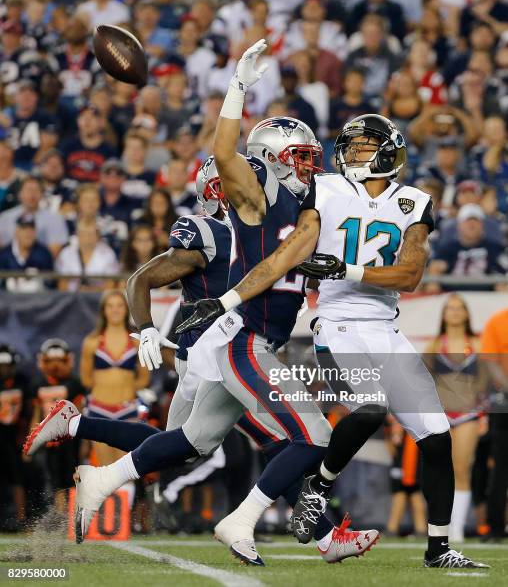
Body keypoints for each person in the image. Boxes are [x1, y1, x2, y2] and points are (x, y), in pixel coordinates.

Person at [25, 43, 378, 565]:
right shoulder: (258, 197)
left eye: (310, 156)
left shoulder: (307, 206)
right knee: (311, 435)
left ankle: (101, 479)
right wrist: (238, 89)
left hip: (244, 341)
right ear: (274, 159)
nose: (310, 165)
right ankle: (249, 522)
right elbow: (228, 151)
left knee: (192, 441)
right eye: (300, 156)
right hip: (240, 340)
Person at [178, 110, 489, 569]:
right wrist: (227, 300)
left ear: (385, 151)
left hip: (385, 325)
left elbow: (412, 273)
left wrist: (348, 269)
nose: (350, 153)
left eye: (361, 145)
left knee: (437, 437)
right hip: (338, 321)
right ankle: (318, 490)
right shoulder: (325, 188)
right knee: (369, 406)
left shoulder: (414, 202)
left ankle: (438, 549)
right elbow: (289, 253)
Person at [424, 294, 487, 542]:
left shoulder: (478, 344)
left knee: (462, 469)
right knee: (439, 469)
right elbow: (421, 380)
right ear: (443, 314)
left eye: (460, 308)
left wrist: (482, 410)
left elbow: (486, 381)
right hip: (440, 414)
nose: (455, 312)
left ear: (467, 313)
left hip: (468, 415)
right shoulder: (434, 345)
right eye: (450, 308)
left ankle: (457, 528)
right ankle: (439, 525)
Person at [79, 290, 149, 467]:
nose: (115, 310)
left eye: (119, 305)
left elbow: (144, 378)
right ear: (103, 310)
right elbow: (86, 379)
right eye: (110, 306)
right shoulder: (92, 342)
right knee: (105, 469)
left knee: (127, 469)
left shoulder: (136, 341)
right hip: (99, 411)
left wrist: (125, 388)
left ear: (126, 309)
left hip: (127, 411)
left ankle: (130, 496)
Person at [30, 339, 85, 513]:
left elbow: (81, 413)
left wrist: (85, 440)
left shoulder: (74, 383)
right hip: (50, 439)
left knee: (73, 475)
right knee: (56, 479)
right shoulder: (38, 384)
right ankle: (63, 515)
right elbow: (36, 415)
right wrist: (32, 439)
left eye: (59, 361)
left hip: (70, 436)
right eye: (51, 361)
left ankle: (74, 513)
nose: (55, 366)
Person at [480, 305, 508, 541]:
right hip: (505, 401)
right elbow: (490, 362)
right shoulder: (498, 321)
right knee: (500, 467)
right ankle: (495, 526)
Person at [0, 175, 69, 258]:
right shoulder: (5, 218)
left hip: (42, 266)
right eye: (28, 190)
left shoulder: (56, 219)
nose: (32, 195)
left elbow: (54, 252)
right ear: (19, 194)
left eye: (36, 190)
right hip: (9, 267)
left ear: (42, 194)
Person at [0, 344, 28, 529]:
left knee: (17, 478)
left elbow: (28, 412)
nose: (4, 369)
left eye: (7, 365)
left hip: (14, 437)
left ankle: (21, 517)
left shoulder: (22, 382)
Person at [55, 219, 119, 292]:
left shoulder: (108, 254)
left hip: (99, 297)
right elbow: (62, 284)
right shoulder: (66, 253)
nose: (87, 238)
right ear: (77, 235)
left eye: (90, 234)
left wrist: (90, 290)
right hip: (71, 298)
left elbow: (110, 285)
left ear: (97, 236)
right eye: (83, 234)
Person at [0, 213, 53, 292]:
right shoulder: (4, 255)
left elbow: (50, 285)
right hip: (9, 302)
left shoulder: (44, 254)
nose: (28, 233)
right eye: (24, 228)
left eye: (31, 229)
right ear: (17, 231)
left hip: (37, 302)